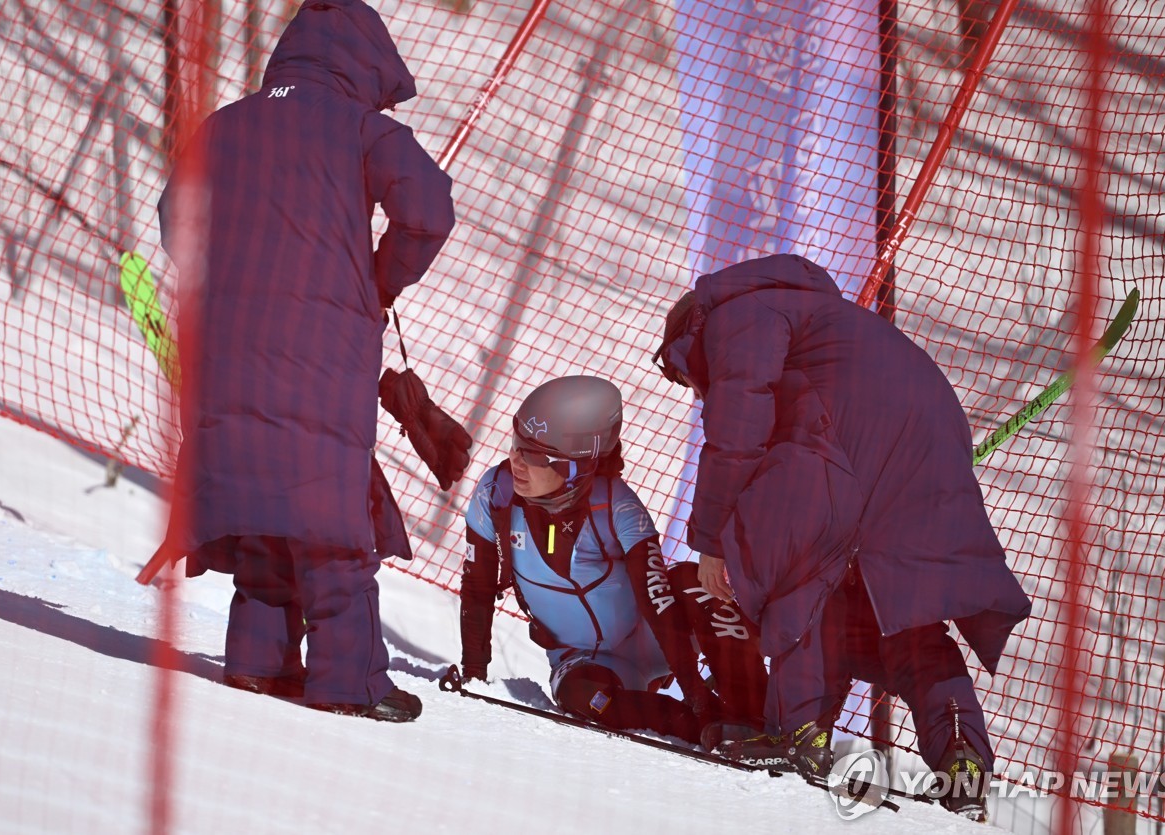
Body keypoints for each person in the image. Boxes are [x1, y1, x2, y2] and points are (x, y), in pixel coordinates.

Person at [154, 0, 462, 722]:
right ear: (364, 64)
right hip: (325, 356)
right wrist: (378, 278)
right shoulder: (363, 128)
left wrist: (231, 279)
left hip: (227, 349)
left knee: (263, 496)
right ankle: (348, 679)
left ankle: (256, 662)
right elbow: (430, 210)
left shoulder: (224, 123)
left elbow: (176, 220)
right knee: (329, 512)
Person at [651, 253, 1031, 819]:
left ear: (689, 334)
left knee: (795, 574)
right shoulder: (814, 312)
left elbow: (737, 430)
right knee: (900, 620)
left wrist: (711, 541)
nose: (696, 391)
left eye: (687, 377)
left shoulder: (734, 314)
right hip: (926, 450)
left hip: (850, 452)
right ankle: (962, 761)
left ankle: (799, 734)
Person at [459, 375, 769, 745]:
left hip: (655, 639)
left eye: (534, 454)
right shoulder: (495, 494)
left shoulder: (616, 505)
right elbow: (476, 588)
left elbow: (659, 602)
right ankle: (707, 727)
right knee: (581, 699)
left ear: (572, 465)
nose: (515, 461)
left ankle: (754, 717)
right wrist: (473, 675)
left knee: (696, 582)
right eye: (516, 444)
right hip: (583, 661)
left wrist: (694, 692)